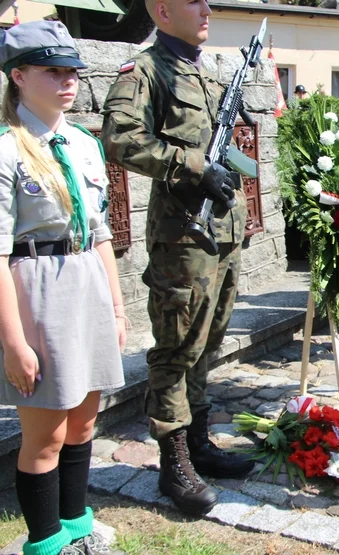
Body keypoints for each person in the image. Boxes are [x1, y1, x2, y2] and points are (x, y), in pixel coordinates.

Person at [100, 0, 253, 516]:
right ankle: (174, 461)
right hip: (181, 242)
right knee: (175, 349)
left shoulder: (203, 71)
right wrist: (191, 165)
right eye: (193, 1)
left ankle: (201, 444)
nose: (206, 8)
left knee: (207, 343)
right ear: (162, 11)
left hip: (221, 233)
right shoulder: (144, 71)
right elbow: (120, 140)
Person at [0, 21, 127, 555]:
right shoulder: (8, 151)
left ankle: (77, 523)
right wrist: (13, 342)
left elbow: (100, 232)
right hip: (39, 292)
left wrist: (118, 311)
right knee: (46, 433)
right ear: (19, 75)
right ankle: (46, 542)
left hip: (89, 286)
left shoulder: (82, 144)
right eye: (52, 71)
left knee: (83, 420)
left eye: (72, 70)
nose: (67, 81)